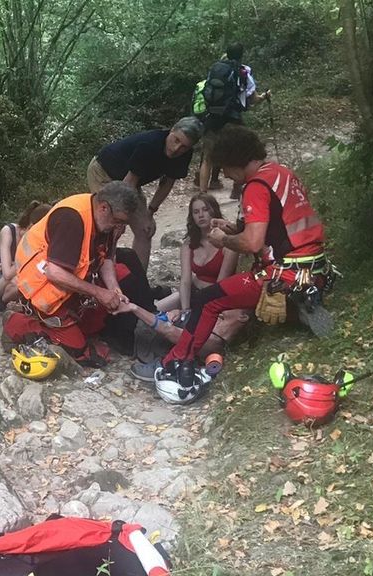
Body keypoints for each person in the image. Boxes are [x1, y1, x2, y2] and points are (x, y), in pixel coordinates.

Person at [157, 125, 329, 396]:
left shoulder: (255, 187)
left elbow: (253, 243)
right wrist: (231, 228)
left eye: (224, 167)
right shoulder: (281, 173)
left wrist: (223, 240)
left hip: (282, 273)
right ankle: (301, 305)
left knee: (207, 300)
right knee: (236, 297)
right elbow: (276, 226)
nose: (224, 174)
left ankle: (177, 361)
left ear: (234, 161)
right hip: (314, 268)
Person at [2, 181, 149, 366]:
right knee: (79, 349)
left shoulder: (106, 221)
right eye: (118, 221)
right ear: (104, 208)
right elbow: (54, 272)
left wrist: (115, 290)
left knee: (124, 276)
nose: (119, 227)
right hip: (43, 288)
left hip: (71, 282)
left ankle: (80, 322)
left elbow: (107, 258)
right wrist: (99, 293)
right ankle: (17, 324)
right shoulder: (72, 218)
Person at [117, 193, 250, 379]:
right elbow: (186, 280)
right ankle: (131, 343)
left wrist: (190, 311)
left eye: (205, 210)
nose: (201, 215)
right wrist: (185, 309)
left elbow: (221, 283)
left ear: (214, 212)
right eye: (196, 212)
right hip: (191, 293)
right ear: (192, 217)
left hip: (215, 295)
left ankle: (169, 355)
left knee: (176, 325)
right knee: (151, 312)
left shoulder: (226, 243)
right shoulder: (189, 245)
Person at [86, 117, 204, 269]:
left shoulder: (184, 155)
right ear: (172, 130)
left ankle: (139, 280)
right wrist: (119, 218)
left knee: (145, 229)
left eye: (184, 147)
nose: (176, 149)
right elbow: (128, 184)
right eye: (176, 140)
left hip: (130, 182)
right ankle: (101, 272)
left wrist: (151, 211)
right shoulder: (149, 145)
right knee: (110, 226)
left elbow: (167, 183)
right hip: (104, 172)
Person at [196, 43, 271, 198]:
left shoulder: (216, 68)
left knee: (207, 157)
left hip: (213, 116)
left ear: (227, 53)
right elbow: (252, 99)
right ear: (241, 54)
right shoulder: (243, 71)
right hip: (232, 118)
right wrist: (264, 96)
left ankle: (202, 194)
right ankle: (237, 190)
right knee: (242, 151)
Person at [0, 200, 53, 321]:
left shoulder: (39, 241)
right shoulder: (9, 232)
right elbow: (7, 274)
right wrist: (28, 260)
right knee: (18, 280)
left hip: (17, 279)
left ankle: (1, 305)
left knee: (31, 280)